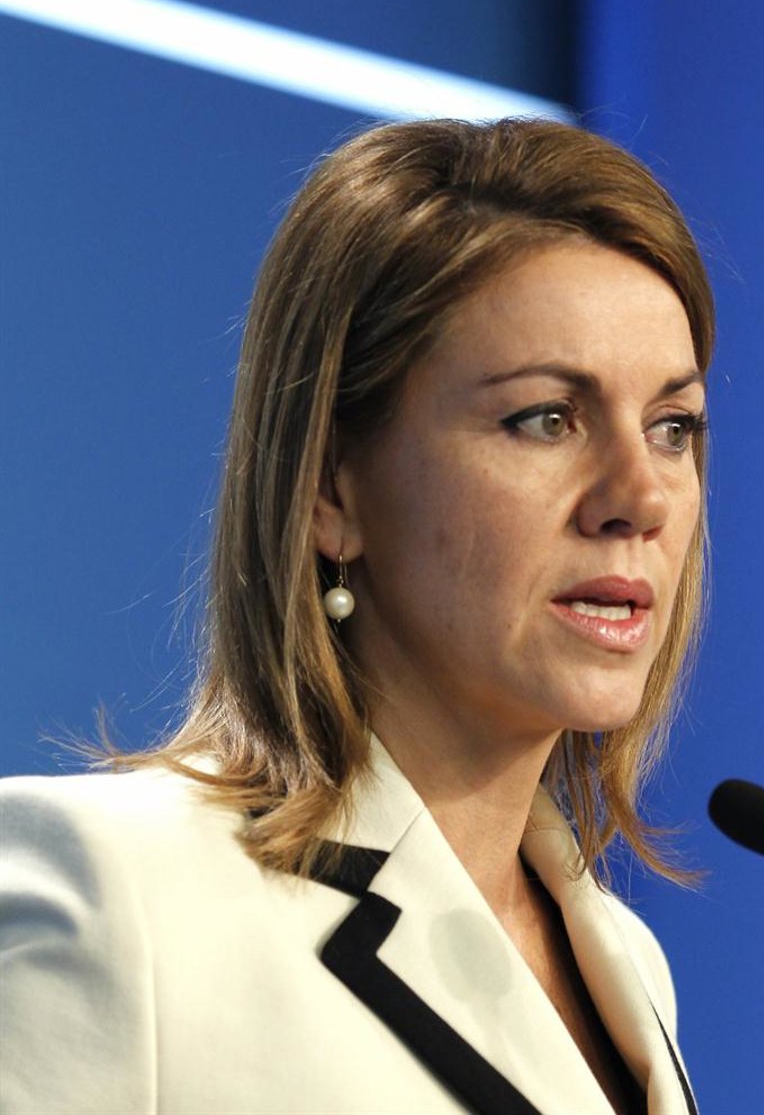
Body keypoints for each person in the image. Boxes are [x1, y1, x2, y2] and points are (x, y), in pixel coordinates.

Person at [0, 118, 713, 1114]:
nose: (639, 496)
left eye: (673, 427)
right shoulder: (121, 894)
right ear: (332, 485)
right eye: (547, 418)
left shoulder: (626, 965)